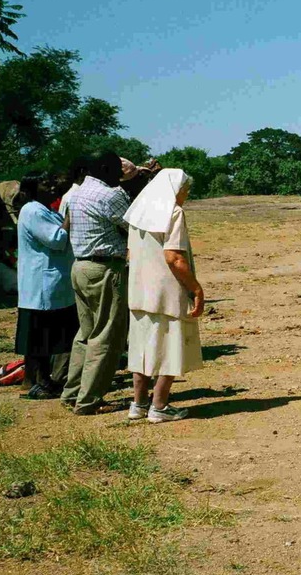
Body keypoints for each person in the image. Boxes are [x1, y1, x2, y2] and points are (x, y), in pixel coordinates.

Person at [123, 169, 204, 422]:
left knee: (142, 348)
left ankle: (138, 404)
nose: (186, 196)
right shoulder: (173, 212)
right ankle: (159, 406)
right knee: (168, 348)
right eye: (184, 190)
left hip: (139, 292)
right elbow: (174, 258)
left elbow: (129, 253)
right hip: (167, 293)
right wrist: (196, 288)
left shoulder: (138, 214)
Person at [61, 151, 131, 415]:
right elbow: (133, 223)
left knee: (85, 334)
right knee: (106, 336)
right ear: (104, 168)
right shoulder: (109, 194)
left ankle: (71, 393)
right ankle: (89, 400)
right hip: (104, 269)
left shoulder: (76, 193)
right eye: (116, 169)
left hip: (80, 266)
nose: (120, 175)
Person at [14, 173, 77, 399]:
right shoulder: (33, 210)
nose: (52, 187)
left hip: (48, 283)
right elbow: (57, 239)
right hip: (41, 284)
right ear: (32, 188)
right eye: (45, 184)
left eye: (52, 183)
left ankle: (38, 380)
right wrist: (71, 215)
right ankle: (41, 381)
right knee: (41, 338)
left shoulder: (45, 209)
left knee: (42, 336)